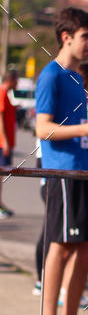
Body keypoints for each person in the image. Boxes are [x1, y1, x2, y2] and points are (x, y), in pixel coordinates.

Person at [33, 7, 88, 315]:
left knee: (87, 247)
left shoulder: (75, 78)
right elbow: (42, 128)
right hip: (61, 172)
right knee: (60, 245)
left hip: (83, 170)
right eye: (86, 36)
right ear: (66, 36)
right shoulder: (51, 75)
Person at [0, 68, 18, 219]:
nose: (17, 82)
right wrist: (4, 141)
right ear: (11, 79)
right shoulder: (1, 93)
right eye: (16, 79)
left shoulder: (6, 94)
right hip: (1, 143)